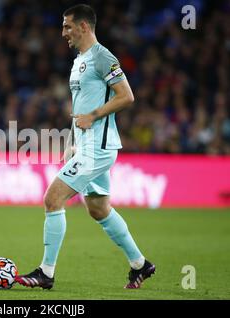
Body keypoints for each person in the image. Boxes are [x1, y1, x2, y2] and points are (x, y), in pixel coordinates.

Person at [15, 4, 155, 290]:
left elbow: (126, 96)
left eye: (67, 26)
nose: (63, 32)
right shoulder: (80, 59)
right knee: (99, 209)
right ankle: (141, 264)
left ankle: (46, 272)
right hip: (86, 145)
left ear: (84, 27)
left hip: (99, 149)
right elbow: (79, 109)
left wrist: (93, 117)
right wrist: (71, 141)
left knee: (53, 198)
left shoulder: (103, 57)